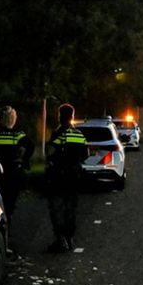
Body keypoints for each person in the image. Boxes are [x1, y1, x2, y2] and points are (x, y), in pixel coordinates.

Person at [44, 103, 88, 253]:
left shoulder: (59, 133)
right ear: (72, 116)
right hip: (74, 176)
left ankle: (60, 239)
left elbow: (50, 153)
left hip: (59, 175)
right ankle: (70, 238)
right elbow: (85, 154)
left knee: (57, 208)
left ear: (60, 116)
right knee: (71, 208)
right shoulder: (79, 134)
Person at [0, 105, 34, 216]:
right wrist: (23, 160)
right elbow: (30, 146)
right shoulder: (17, 134)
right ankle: (6, 221)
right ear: (13, 119)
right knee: (9, 203)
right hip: (11, 174)